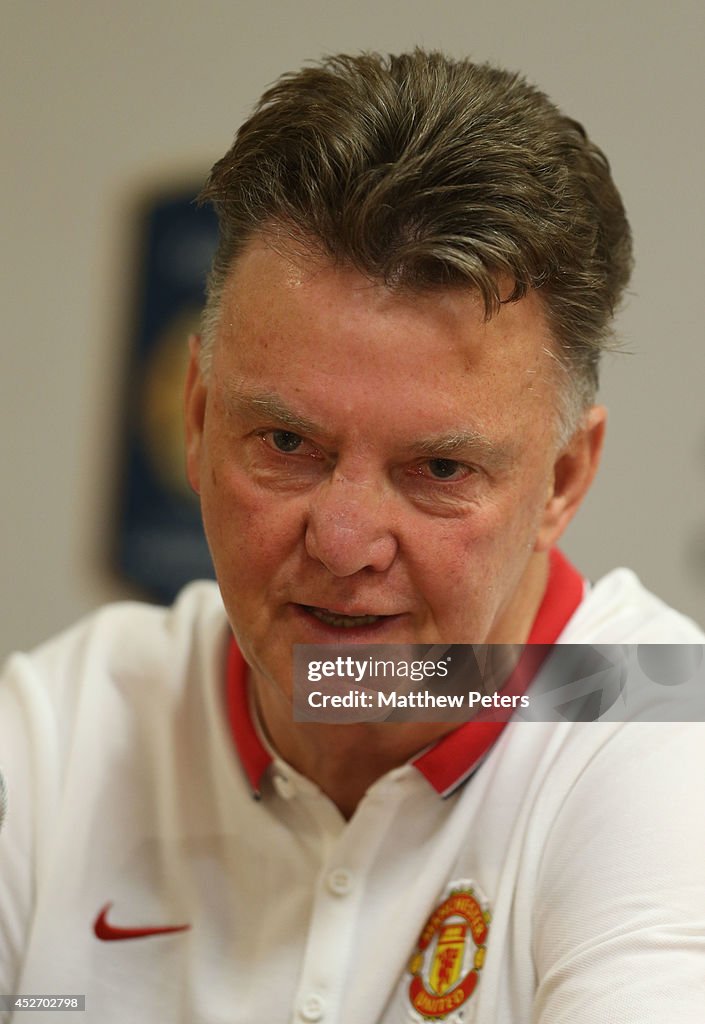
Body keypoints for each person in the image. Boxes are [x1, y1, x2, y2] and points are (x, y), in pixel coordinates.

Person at [1, 50, 703, 1024]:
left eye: (440, 470)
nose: (342, 541)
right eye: (286, 442)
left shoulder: (666, 721)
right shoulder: (63, 731)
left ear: (564, 479)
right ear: (198, 419)